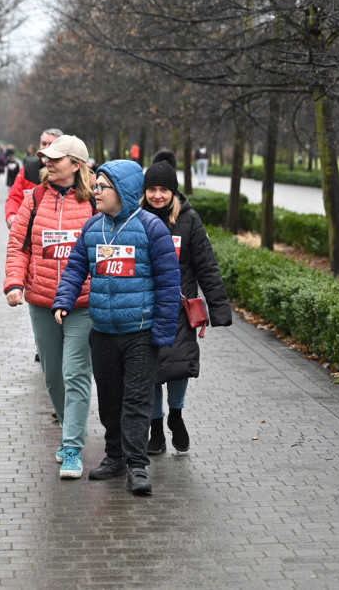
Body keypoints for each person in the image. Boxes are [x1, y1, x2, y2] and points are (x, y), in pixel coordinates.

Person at [53, 159, 181, 495]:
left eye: (102, 187)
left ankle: (137, 466)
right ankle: (114, 458)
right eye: (95, 186)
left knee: (136, 402)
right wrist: (64, 300)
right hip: (103, 333)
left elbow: (169, 284)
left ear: (122, 190)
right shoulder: (92, 228)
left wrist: (163, 333)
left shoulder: (152, 229)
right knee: (109, 400)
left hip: (139, 332)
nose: (95, 192)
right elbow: (75, 267)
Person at [4, 135, 97, 479]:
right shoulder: (35, 197)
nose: (47, 163)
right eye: (46, 158)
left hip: (81, 303)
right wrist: (14, 282)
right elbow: (18, 245)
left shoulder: (94, 202)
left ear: (76, 164)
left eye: (55, 159)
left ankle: (72, 446)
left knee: (76, 373)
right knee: (53, 374)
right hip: (41, 300)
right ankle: (68, 432)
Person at [139, 151, 232, 454]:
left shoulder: (189, 220)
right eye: (151, 189)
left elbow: (206, 265)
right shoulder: (135, 218)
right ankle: (156, 427)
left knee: (178, 366)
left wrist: (219, 309)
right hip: (143, 307)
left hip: (178, 310)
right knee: (149, 370)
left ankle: (176, 415)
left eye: (163, 189)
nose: (156, 195)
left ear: (173, 191)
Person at [5, 128, 62, 229]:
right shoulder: (27, 170)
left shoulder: (69, 171)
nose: (46, 147)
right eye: (44, 144)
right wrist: (11, 214)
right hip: (30, 229)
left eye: (51, 144)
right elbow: (15, 197)